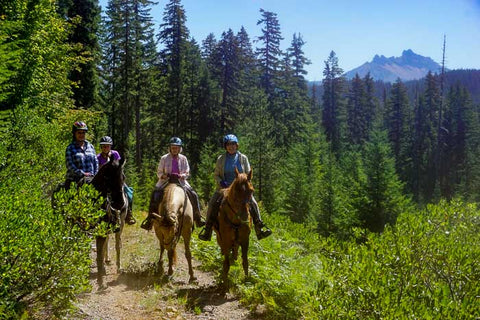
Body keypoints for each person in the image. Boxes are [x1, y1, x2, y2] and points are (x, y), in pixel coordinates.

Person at [198, 134, 272, 241]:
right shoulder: (221, 159)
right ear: (225, 146)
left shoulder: (243, 158)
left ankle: (259, 227)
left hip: (240, 190)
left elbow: (247, 174)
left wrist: (244, 184)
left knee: (253, 203)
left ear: (236, 145)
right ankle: (207, 229)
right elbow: (216, 174)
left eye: (233, 144)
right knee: (212, 203)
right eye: (228, 145)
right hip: (224, 188)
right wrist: (220, 182)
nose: (231, 147)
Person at [141, 137, 204, 231]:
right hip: (166, 181)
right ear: (170, 148)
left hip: (180, 181)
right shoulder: (164, 158)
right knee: (155, 194)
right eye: (173, 147)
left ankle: (197, 217)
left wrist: (182, 175)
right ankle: (150, 218)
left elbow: (187, 171)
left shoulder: (183, 158)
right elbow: (159, 172)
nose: (175, 149)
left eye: (177, 147)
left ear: (180, 148)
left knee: (193, 194)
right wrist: (164, 176)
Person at [97, 136, 136, 225]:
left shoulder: (115, 154)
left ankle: (129, 213)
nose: (105, 148)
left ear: (110, 147)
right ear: (101, 147)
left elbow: (119, 167)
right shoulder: (98, 157)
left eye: (107, 146)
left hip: (116, 180)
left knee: (129, 193)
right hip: (106, 181)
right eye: (103, 146)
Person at [65, 121, 98, 189]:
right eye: (79, 133)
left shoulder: (90, 146)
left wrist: (95, 174)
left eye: (83, 133)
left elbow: (96, 162)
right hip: (75, 180)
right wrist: (82, 174)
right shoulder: (70, 148)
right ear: (74, 134)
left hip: (91, 179)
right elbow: (70, 166)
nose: (81, 135)